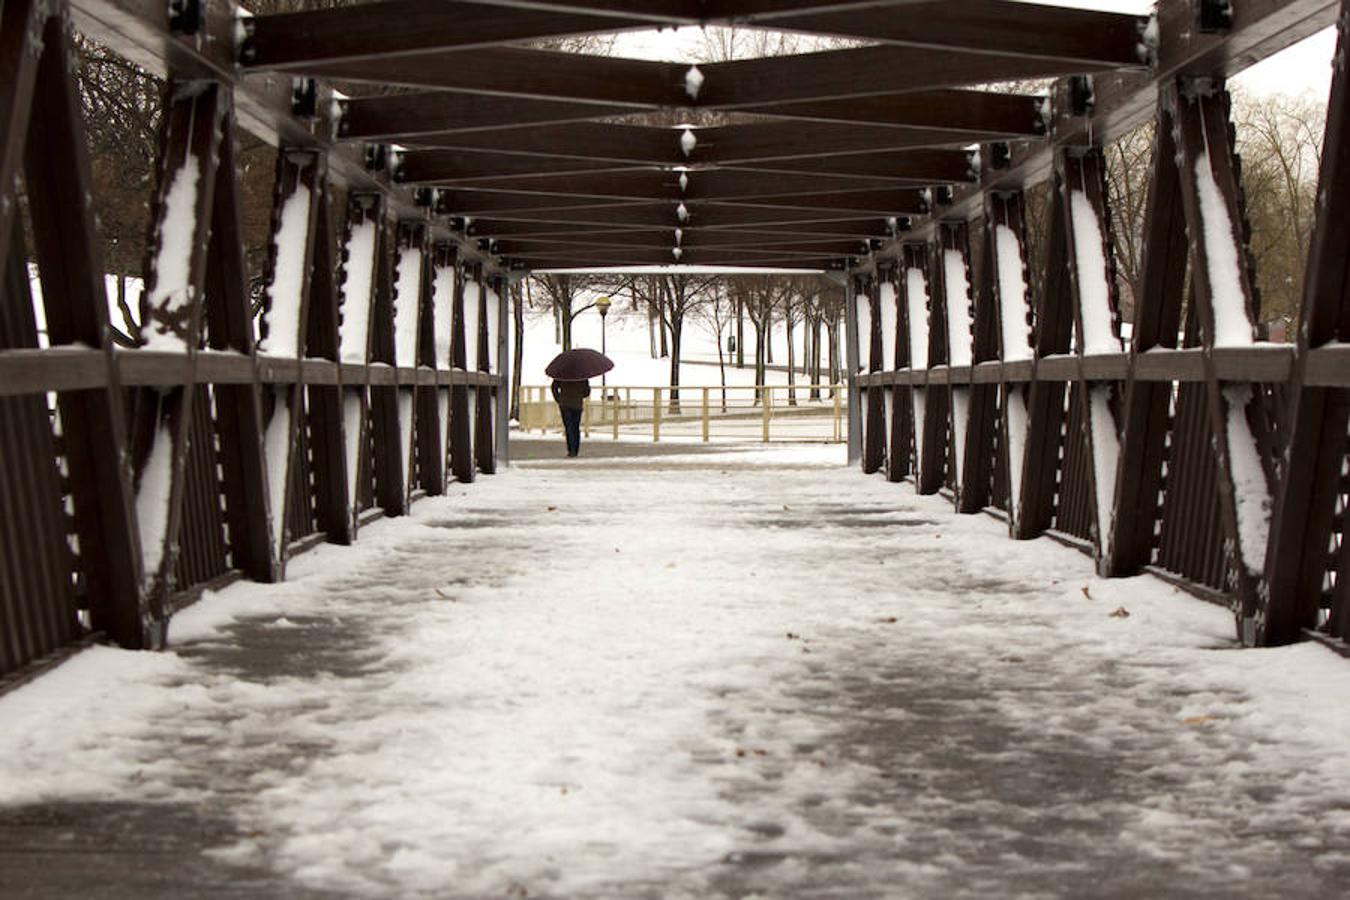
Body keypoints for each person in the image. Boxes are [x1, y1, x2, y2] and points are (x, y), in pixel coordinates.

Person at [551, 378, 591, 457]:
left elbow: (554, 387)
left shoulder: (561, 374)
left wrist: (558, 399)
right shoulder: (582, 375)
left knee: (569, 427)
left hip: (564, 404)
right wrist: (579, 393)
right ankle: (575, 450)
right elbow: (586, 392)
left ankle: (571, 450)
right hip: (577, 404)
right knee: (576, 427)